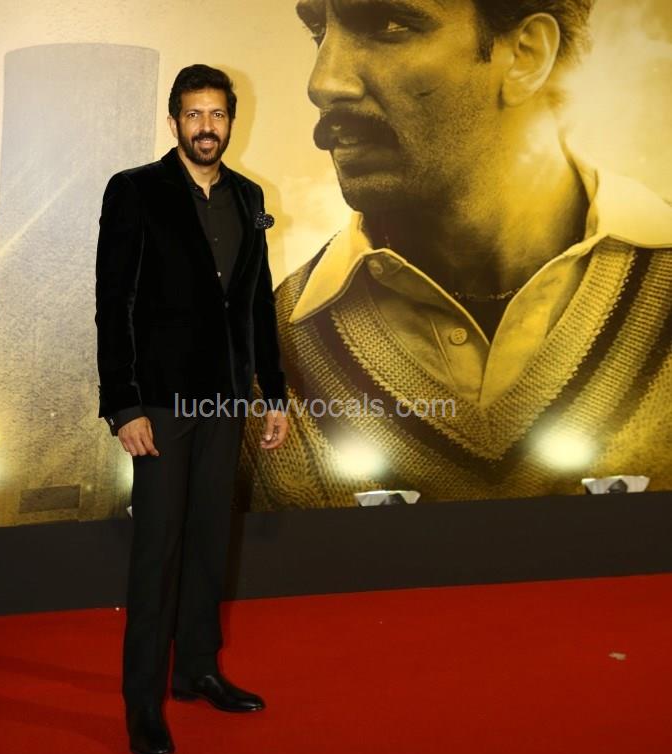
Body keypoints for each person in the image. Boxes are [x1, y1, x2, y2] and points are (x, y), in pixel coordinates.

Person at [241, 0, 672, 510]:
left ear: (527, 54)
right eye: (318, 31)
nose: (323, 83)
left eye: (387, 25)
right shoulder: (264, 361)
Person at [95, 64, 289, 754]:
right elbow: (113, 302)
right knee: (159, 549)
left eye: (218, 115)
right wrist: (123, 404)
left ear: (231, 121)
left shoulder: (248, 196)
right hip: (159, 401)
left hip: (225, 398)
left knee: (210, 539)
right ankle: (143, 702)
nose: (207, 127)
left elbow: (257, 301)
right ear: (174, 120)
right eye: (194, 114)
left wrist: (273, 392)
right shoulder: (135, 190)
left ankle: (198, 670)